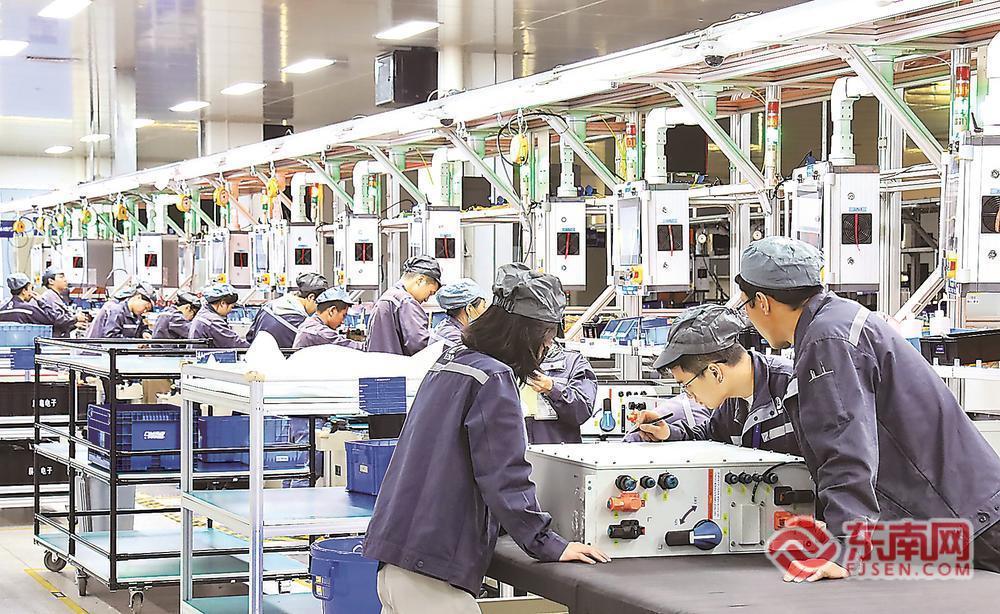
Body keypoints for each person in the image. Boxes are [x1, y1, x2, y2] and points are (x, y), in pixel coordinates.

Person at [735, 236, 1000, 581]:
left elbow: (845, 446)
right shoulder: (839, 321)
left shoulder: (827, 340)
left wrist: (843, 546)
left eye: (746, 305)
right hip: (965, 510)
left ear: (762, 302)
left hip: (968, 521)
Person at [364, 263, 609, 613]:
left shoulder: (453, 361)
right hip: (431, 574)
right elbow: (503, 476)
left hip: (396, 560)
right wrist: (547, 543)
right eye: (545, 340)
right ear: (525, 336)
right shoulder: (493, 378)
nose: (546, 350)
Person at [630, 304, 800, 455]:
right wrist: (667, 433)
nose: (689, 396)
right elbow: (708, 436)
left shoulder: (794, 387)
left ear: (715, 372)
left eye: (687, 386)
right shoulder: (731, 401)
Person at [523, 341, 598, 444]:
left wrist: (552, 389)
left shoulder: (572, 362)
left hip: (556, 450)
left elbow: (582, 411)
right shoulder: (506, 363)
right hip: (512, 449)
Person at [365, 255, 441, 356]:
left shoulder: (388, 296)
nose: (427, 299)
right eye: (430, 293)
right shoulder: (405, 302)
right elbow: (421, 346)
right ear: (420, 280)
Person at [246, 273, 328, 348]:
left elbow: (250, 338)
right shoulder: (302, 326)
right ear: (311, 297)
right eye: (320, 304)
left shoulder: (267, 307)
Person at [292, 287, 362, 349]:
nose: (343, 321)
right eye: (343, 315)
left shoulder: (310, 323)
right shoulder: (319, 332)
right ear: (332, 311)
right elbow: (357, 348)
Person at [430, 278, 489, 346]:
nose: (486, 311)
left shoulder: (446, 326)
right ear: (469, 309)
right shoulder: (456, 339)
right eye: (483, 306)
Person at [188, 283, 249, 348]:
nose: (230, 311)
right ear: (222, 303)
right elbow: (236, 344)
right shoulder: (213, 322)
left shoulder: (203, 313)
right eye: (231, 307)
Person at [0, 273, 69, 327]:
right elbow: (53, 319)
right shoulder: (28, 309)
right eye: (31, 288)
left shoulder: (2, 310)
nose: (32, 292)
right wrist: (41, 301)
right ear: (24, 291)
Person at [87, 283, 154, 338]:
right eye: (146, 307)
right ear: (138, 297)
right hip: (96, 349)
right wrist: (134, 344)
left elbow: (141, 328)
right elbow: (111, 337)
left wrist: (144, 333)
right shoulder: (116, 310)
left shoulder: (136, 315)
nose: (144, 311)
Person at [38, 266, 89, 337]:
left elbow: (60, 325)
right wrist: (76, 318)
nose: (65, 280)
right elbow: (58, 320)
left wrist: (74, 325)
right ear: (51, 281)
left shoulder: (55, 296)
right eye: (61, 277)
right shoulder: (49, 297)